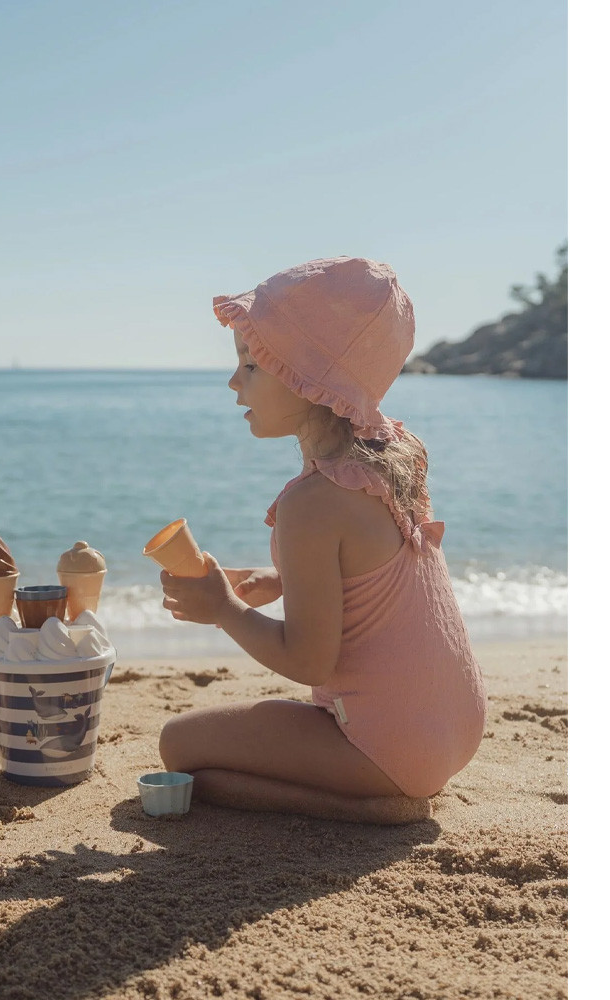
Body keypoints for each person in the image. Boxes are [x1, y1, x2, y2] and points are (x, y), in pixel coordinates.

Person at [157, 257, 486, 825]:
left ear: (308, 378)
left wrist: (225, 610)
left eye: (252, 364)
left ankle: (371, 806)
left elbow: (309, 661)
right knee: (206, 758)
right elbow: (373, 563)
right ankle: (386, 788)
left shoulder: (308, 504)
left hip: (385, 751)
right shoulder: (395, 452)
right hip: (455, 730)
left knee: (180, 748)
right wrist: (279, 581)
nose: (235, 381)